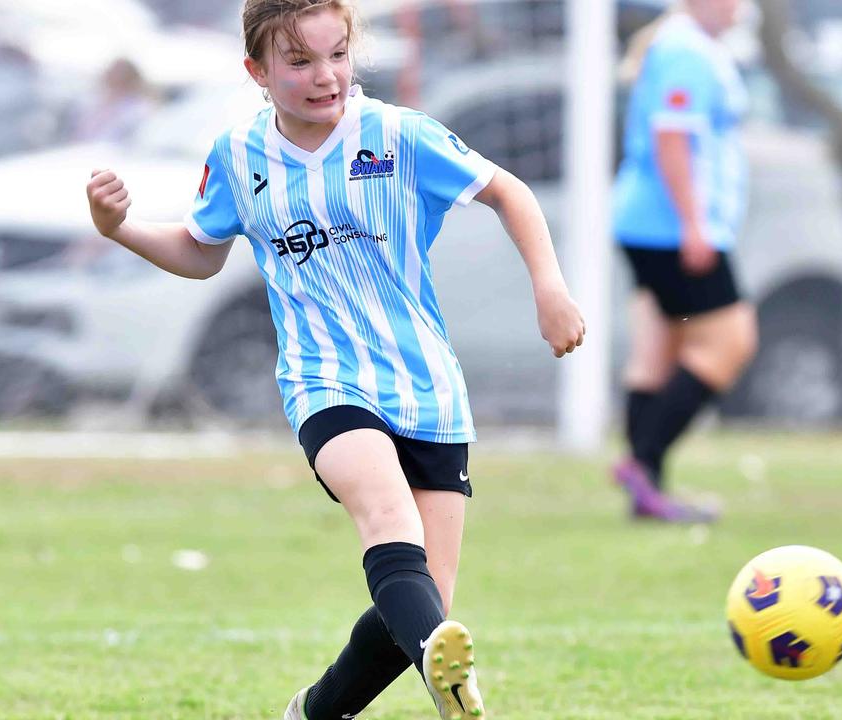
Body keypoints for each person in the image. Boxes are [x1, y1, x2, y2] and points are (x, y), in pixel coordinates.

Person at [84, 1, 585, 718]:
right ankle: (457, 696)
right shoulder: (237, 155)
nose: (327, 77)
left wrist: (551, 288)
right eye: (301, 62)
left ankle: (315, 712)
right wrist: (120, 227)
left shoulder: (396, 134)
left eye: (339, 55)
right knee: (387, 520)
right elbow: (200, 252)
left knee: (419, 601)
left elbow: (509, 191)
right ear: (257, 71)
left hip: (429, 388)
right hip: (325, 383)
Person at [609, 0, 756, 523]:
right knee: (730, 340)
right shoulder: (684, 50)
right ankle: (641, 464)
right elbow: (671, 137)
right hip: (671, 228)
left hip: (653, 225)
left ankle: (646, 492)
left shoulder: (680, 44)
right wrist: (694, 223)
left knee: (658, 348)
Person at [69, 58, 158, 143]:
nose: (114, 77)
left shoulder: (140, 109)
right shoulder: (94, 100)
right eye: (112, 72)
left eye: (120, 74)